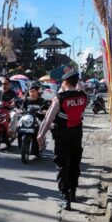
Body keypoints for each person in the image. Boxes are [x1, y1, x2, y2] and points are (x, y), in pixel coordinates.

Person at [37, 71, 88, 210]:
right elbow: (81, 89)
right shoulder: (84, 96)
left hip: (62, 136)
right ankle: (73, 193)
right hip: (77, 135)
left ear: (65, 82)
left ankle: (65, 198)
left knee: (62, 166)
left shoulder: (60, 98)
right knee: (74, 164)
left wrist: (41, 134)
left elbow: (49, 118)